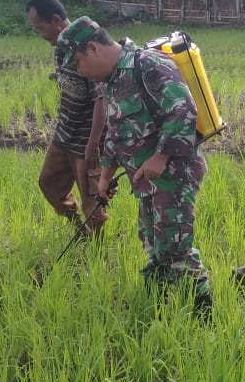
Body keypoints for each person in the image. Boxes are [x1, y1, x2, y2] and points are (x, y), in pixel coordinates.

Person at [58, 16, 213, 314]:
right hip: (145, 180)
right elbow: (115, 134)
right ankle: (153, 305)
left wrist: (161, 157)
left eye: (78, 63)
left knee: (174, 245)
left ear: (93, 48)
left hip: (174, 176)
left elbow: (183, 110)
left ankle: (203, 316)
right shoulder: (113, 80)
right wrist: (104, 177)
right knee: (153, 241)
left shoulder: (147, 65)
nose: (81, 71)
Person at [26, 0, 108, 237]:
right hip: (64, 135)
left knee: (92, 204)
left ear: (56, 20)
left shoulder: (86, 47)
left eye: (41, 28)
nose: (41, 35)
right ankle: (78, 229)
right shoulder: (60, 50)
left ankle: (97, 254)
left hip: (86, 141)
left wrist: (94, 143)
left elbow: (101, 99)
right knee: (48, 183)